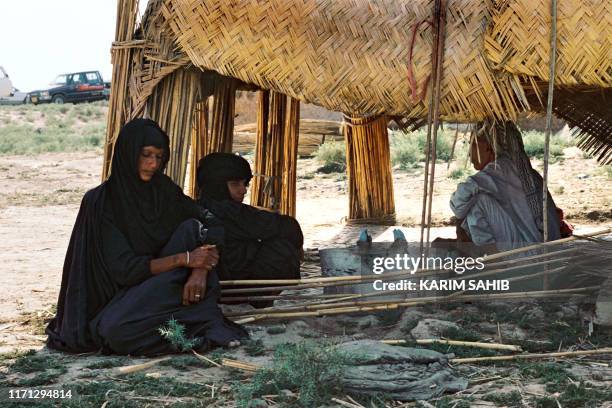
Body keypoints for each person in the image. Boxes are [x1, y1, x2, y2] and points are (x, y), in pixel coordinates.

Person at [46, 119, 247, 356]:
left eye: (159, 157)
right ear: (129, 153)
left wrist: (200, 269)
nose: (153, 164)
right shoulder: (102, 202)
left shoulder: (162, 189)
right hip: (119, 294)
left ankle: (189, 317)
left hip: (160, 284)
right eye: (146, 155)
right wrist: (185, 259)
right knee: (114, 332)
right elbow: (126, 270)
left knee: (191, 227)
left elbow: (211, 221)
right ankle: (192, 330)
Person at [196, 153, 304, 306]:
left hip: (212, 284)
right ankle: (263, 299)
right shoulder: (231, 212)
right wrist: (297, 252)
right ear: (218, 184)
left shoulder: (197, 207)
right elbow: (289, 226)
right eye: (235, 184)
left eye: (244, 184)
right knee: (281, 248)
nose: (243, 190)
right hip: (233, 285)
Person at [446, 122, 564, 254]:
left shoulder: (499, 169)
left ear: (490, 147)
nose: (469, 153)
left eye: (473, 145)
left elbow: (458, 204)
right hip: (546, 252)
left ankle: (491, 262)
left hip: (531, 256)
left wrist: (460, 226)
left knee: (476, 201)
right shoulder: (525, 172)